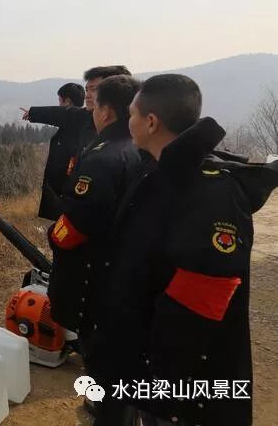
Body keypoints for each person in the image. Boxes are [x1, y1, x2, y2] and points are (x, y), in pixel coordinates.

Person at [95, 74, 278, 426]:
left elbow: (198, 304)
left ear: (151, 122)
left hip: (182, 386)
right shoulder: (159, 174)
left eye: (132, 113)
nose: (127, 120)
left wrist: (153, 380)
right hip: (145, 366)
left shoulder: (210, 193)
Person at [45, 76, 143, 378]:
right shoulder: (136, 148)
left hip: (94, 273)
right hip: (123, 267)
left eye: (95, 105)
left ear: (107, 112)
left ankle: (105, 404)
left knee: (98, 349)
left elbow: (78, 223)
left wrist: (53, 235)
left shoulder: (102, 158)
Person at [22, 65, 131, 220]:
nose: (88, 95)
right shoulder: (85, 118)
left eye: (94, 89)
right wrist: (33, 113)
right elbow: (60, 113)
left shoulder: (127, 145)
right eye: (87, 90)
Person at [29, 83, 86, 220]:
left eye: (60, 101)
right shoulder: (73, 126)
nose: (59, 105)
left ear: (68, 101)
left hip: (63, 198)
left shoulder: (74, 129)